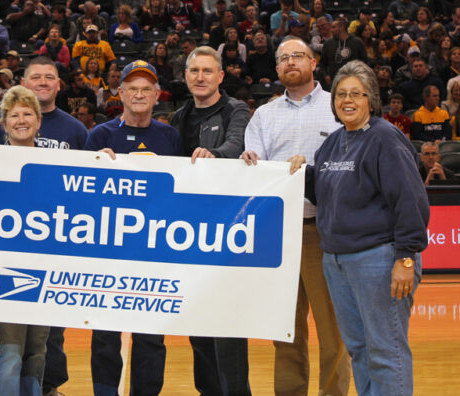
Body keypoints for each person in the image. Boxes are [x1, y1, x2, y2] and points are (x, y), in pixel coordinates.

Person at [286, 59, 429, 396]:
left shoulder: (384, 138)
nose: (347, 100)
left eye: (356, 94)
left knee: (386, 352)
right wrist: (302, 172)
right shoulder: (334, 142)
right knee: (360, 349)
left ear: (371, 99)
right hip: (337, 262)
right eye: (341, 94)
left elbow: (411, 200)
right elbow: (325, 192)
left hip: (378, 260)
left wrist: (405, 259)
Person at [240, 37, 351, 396]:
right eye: (283, 58)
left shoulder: (338, 107)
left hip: (325, 231)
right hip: (279, 233)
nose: (291, 62)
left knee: (333, 329)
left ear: (314, 62)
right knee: (284, 329)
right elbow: (252, 169)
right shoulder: (263, 115)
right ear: (276, 69)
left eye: (298, 56)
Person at [84, 60, 182, 396]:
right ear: (120, 93)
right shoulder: (100, 135)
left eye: (146, 89)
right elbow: (80, 194)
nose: (139, 95)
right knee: (105, 336)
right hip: (107, 252)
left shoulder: (169, 136)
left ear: (157, 96)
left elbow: (179, 192)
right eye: (132, 89)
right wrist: (96, 168)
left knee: (151, 336)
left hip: (153, 252)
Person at [170, 45, 251, 395]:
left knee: (228, 330)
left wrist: (212, 155)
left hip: (226, 233)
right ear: (186, 77)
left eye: (207, 71)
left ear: (220, 76)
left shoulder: (237, 110)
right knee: (198, 327)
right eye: (194, 71)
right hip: (188, 235)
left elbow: (235, 146)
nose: (200, 77)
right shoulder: (178, 117)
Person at [0, 85, 51, 396]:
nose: (22, 120)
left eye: (28, 114)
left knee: (37, 349)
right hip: (5, 269)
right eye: (15, 115)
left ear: (39, 121)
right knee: (11, 348)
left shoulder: (57, 165)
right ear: (4, 124)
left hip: (46, 267)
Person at [320, 18, 367, 87]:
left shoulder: (357, 42)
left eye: (334, 27)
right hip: (334, 82)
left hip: (353, 81)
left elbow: (364, 62)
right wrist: (326, 75)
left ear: (341, 28)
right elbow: (322, 63)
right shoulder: (328, 43)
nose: (331, 30)